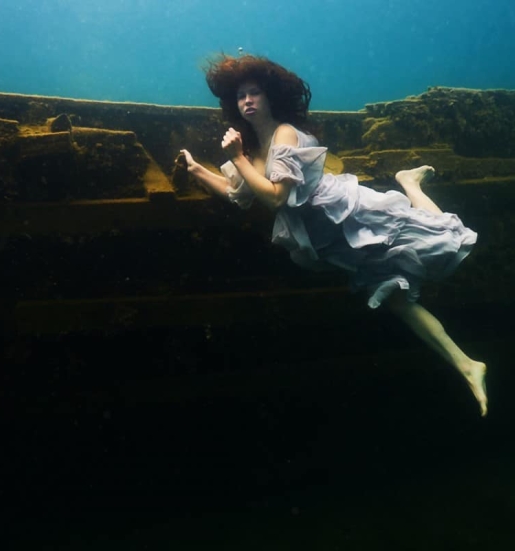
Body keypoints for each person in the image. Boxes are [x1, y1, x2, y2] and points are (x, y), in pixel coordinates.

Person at [180, 54, 488, 416]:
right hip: (327, 238)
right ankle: (466, 364)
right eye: (240, 96)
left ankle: (410, 184)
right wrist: (197, 170)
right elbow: (240, 195)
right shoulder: (252, 148)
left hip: (344, 213)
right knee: (395, 298)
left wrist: (238, 158)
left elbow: (276, 197)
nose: (247, 101)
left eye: (254, 93)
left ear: (271, 96)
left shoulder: (284, 133)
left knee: (440, 235)